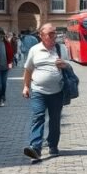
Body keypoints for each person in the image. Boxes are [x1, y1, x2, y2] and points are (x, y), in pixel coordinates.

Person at [22, 23, 68, 160]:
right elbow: (28, 69)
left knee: (54, 120)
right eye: (51, 34)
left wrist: (64, 65)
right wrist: (26, 86)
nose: (54, 36)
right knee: (38, 117)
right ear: (41, 36)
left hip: (57, 91)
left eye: (55, 33)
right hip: (38, 91)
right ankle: (35, 148)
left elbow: (70, 66)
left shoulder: (61, 49)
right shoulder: (34, 50)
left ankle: (53, 145)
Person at [0, 29, 14, 106]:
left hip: (5, 67)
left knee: (4, 83)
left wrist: (10, 63)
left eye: (2, 35)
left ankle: (3, 97)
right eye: (0, 35)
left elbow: (11, 54)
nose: (1, 37)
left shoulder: (7, 44)